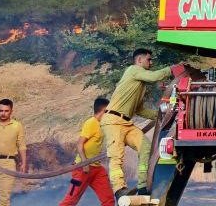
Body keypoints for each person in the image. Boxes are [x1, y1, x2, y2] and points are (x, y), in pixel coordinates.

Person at [101, 49, 171, 198]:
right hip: (113, 121)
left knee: (145, 147)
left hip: (126, 123)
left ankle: (142, 185)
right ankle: (119, 190)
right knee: (116, 156)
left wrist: (160, 115)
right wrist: (172, 69)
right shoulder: (133, 70)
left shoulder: (140, 84)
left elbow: (139, 110)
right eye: (149, 59)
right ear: (139, 60)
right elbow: (154, 77)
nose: (151, 62)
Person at [58, 98, 114, 206]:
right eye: (109, 111)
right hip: (82, 168)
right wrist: (84, 163)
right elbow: (79, 144)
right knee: (70, 201)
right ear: (104, 111)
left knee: (109, 200)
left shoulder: (104, 125)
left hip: (97, 169)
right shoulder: (91, 123)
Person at [0, 98, 27, 206]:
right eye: (1, 110)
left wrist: (24, 163)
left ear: (11, 111)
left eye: (6, 111)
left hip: (8, 163)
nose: (3, 113)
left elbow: (21, 145)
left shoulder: (17, 126)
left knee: (4, 197)